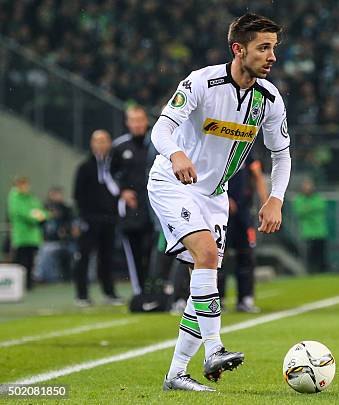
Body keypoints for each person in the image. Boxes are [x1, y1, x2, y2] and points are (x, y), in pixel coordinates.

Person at [147, 14, 291, 392]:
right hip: (173, 181)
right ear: (238, 49)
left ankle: (176, 373)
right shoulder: (202, 82)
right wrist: (177, 154)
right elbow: (160, 128)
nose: (271, 56)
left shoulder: (270, 99)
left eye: (274, 48)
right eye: (263, 47)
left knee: (204, 281)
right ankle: (214, 348)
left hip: (214, 195)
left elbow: (282, 154)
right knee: (207, 256)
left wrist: (275, 198)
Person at [73, 130, 122, 307]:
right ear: (92, 144)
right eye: (97, 141)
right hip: (90, 219)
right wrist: (82, 218)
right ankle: (81, 295)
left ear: (110, 143)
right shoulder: (85, 167)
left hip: (109, 219)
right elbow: (77, 195)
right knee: (84, 257)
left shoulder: (114, 166)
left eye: (104, 141)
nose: (101, 144)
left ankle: (109, 292)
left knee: (107, 257)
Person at [111, 105, 154, 294]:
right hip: (132, 209)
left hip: (156, 206)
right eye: (133, 121)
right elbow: (108, 175)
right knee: (135, 251)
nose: (137, 124)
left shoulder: (156, 143)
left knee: (155, 249)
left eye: (140, 120)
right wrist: (122, 192)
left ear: (146, 121)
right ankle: (140, 291)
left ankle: (157, 288)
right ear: (127, 123)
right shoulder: (119, 147)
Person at [218, 154, 268, 313]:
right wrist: (223, 198)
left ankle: (245, 298)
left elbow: (257, 174)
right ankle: (218, 299)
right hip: (220, 211)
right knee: (218, 256)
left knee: (246, 255)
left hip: (244, 212)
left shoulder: (247, 149)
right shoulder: (219, 144)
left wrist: (266, 202)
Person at [7, 177, 47, 290]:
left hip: (33, 236)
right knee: (21, 261)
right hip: (21, 236)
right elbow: (22, 213)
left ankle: (29, 283)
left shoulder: (31, 198)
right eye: (22, 185)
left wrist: (41, 215)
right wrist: (36, 217)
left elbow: (41, 211)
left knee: (30, 261)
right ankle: (19, 284)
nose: (25, 187)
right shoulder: (14, 198)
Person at [293, 178, 329, 272]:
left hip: (320, 231)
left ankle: (322, 272)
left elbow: (321, 206)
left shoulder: (317, 198)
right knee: (310, 256)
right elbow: (299, 210)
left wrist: (307, 208)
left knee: (321, 255)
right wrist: (312, 209)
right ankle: (311, 272)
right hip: (308, 232)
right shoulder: (299, 199)